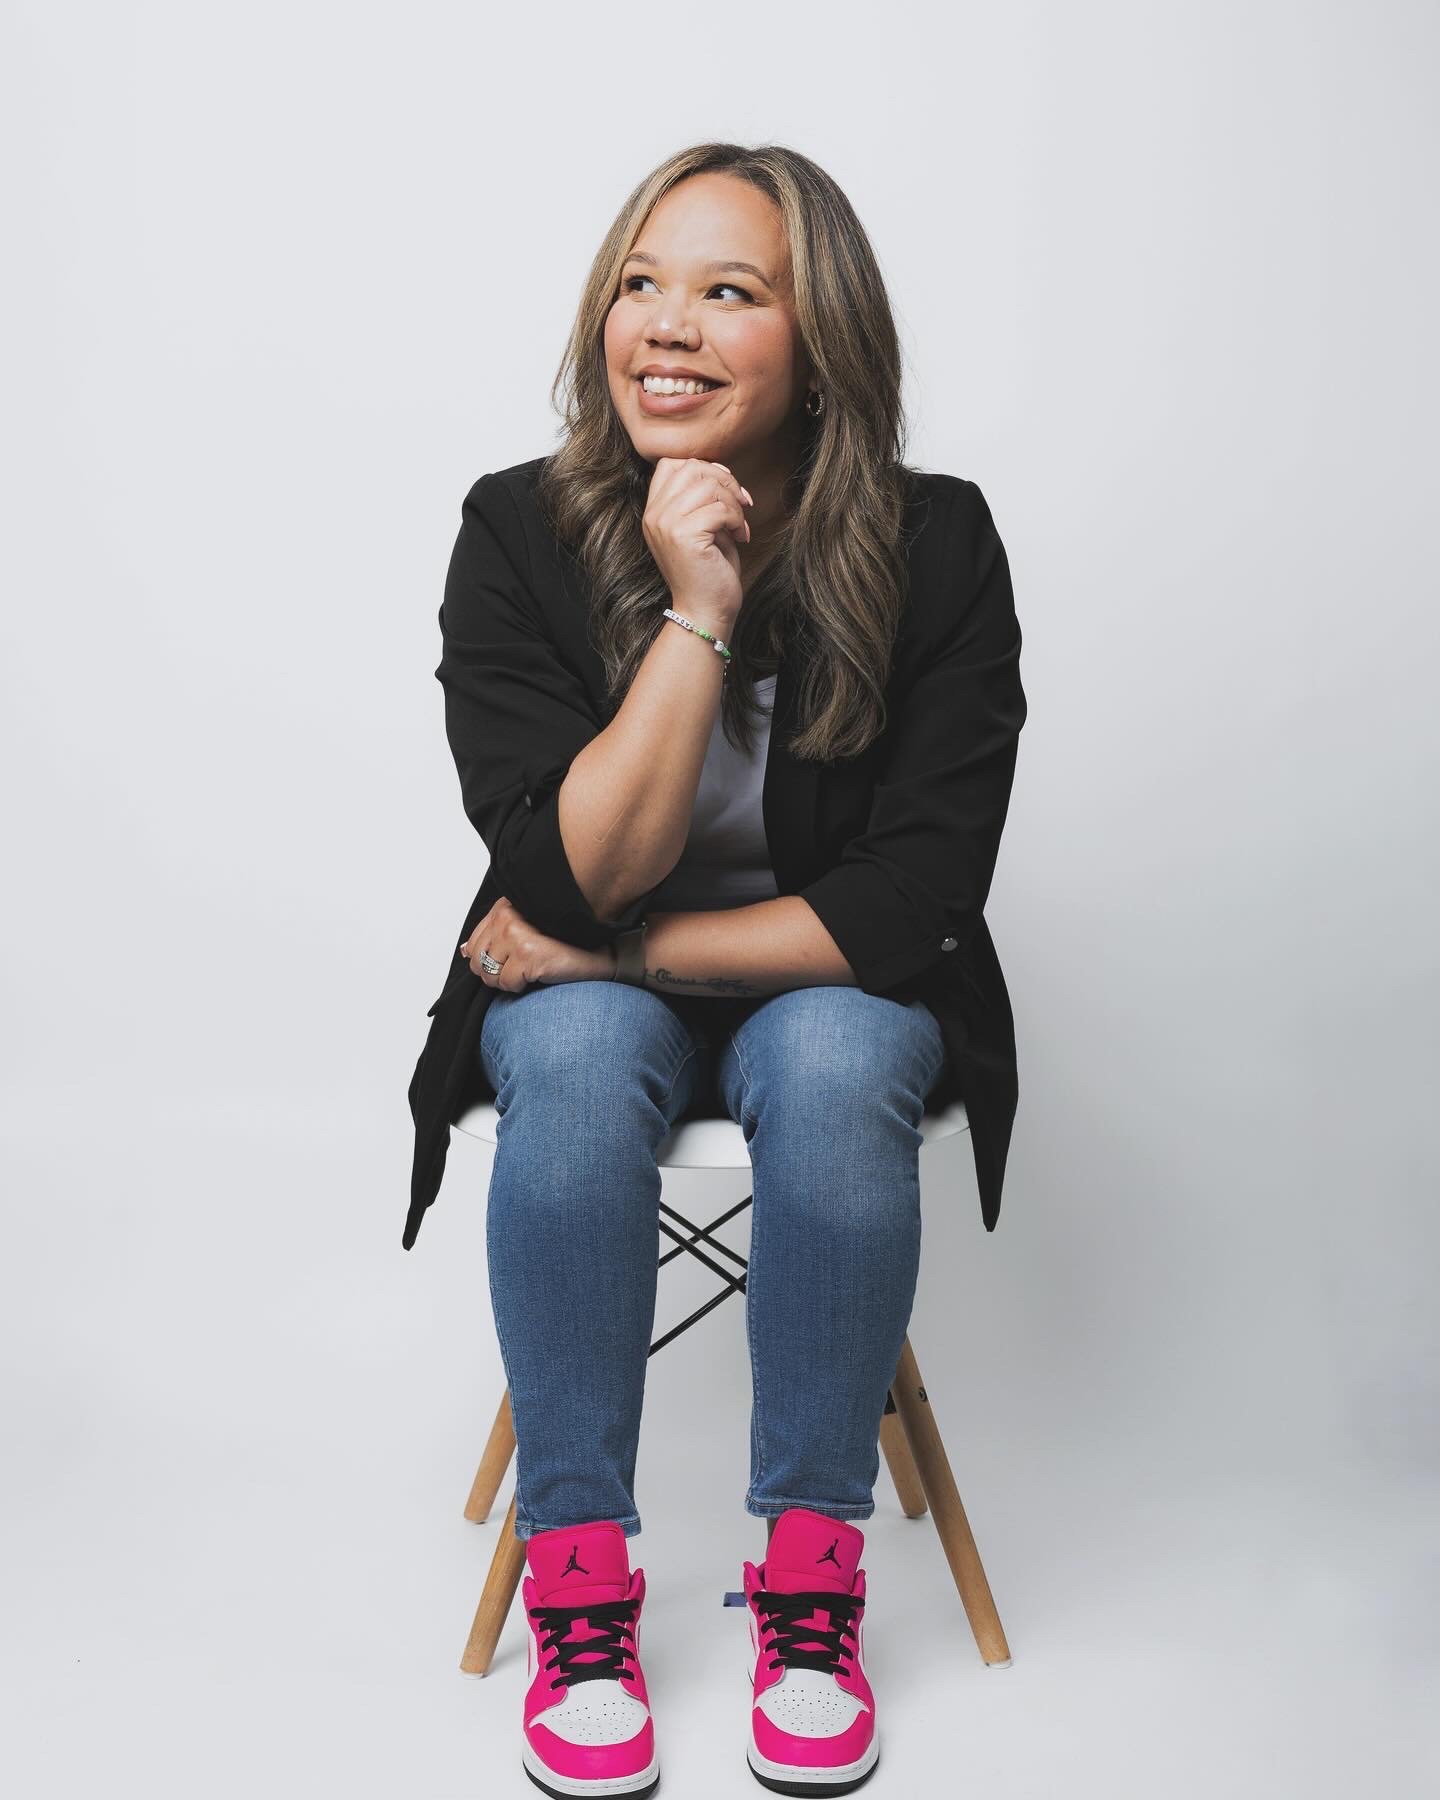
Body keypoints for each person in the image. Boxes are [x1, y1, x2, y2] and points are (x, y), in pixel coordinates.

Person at [406, 142, 1027, 1799]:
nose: (665, 329)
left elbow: (912, 904)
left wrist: (620, 943)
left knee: (829, 1063)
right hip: (589, 998)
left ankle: (812, 1576)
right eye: (641, 282)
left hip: (817, 989)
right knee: (578, 1053)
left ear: (821, 339)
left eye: (729, 292)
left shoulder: (939, 546)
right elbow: (566, 867)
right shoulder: (521, 533)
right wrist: (695, 606)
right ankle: (582, 1576)